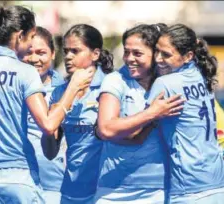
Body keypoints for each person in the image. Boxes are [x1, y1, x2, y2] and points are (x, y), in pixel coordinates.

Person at [0, 6, 93, 204]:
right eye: (31, 36)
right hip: (18, 180)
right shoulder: (25, 73)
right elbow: (48, 124)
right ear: (19, 36)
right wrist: (72, 89)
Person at [94, 24, 185, 204]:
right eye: (126, 52)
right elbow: (106, 128)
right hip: (113, 190)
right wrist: (152, 114)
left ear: (155, 54)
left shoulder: (171, 83)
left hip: (161, 189)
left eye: (137, 53)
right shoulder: (115, 80)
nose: (129, 59)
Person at [148, 23, 224, 203]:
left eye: (166, 54)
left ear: (188, 56)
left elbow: (138, 129)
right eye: (156, 51)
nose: (157, 59)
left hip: (188, 187)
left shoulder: (165, 83)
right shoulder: (202, 74)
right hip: (217, 182)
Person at [42, 24, 113, 204]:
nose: (68, 57)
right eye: (66, 51)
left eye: (75, 51)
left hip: (104, 191)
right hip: (70, 190)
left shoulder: (110, 86)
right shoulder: (60, 92)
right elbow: (50, 152)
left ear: (95, 54)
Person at [22, 26, 66, 203]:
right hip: (21, 185)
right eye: (29, 52)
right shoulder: (10, 89)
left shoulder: (65, 92)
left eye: (41, 53)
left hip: (56, 187)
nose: (34, 59)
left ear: (53, 53)